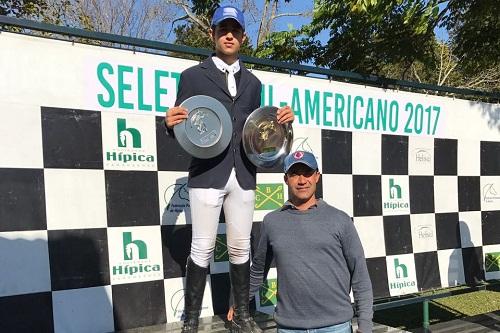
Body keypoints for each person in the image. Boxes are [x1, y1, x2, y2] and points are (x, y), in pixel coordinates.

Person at [164, 5, 294, 333]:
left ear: (243, 36)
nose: (229, 35)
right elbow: (183, 124)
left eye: (235, 29)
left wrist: (280, 122)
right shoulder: (191, 76)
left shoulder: (254, 83)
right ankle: (190, 319)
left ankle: (243, 316)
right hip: (208, 173)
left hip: (245, 173)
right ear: (212, 34)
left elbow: (259, 131)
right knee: (203, 246)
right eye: (223, 29)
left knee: (240, 245)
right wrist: (169, 123)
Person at [229, 151, 373, 333]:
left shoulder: (340, 220)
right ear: (286, 179)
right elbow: (258, 270)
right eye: (295, 174)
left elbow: (360, 275)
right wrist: (238, 302)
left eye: (307, 173)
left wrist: (365, 324)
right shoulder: (272, 221)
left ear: (317, 176)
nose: (302, 180)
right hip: (289, 328)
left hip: (335, 327)